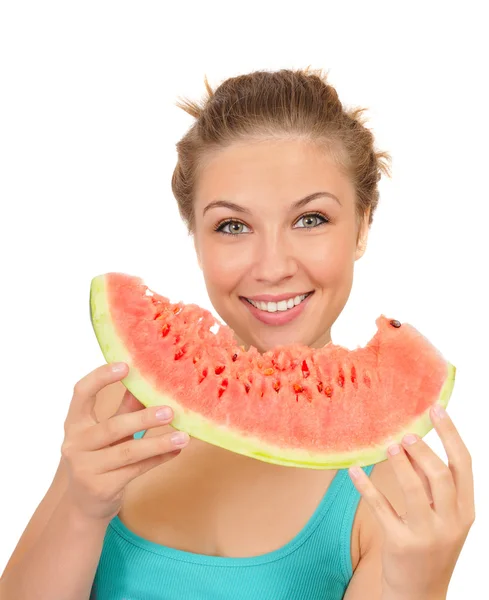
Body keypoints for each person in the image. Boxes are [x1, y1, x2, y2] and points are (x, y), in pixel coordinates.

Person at [0, 67, 475, 600]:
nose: (272, 266)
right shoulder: (124, 410)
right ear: (196, 237)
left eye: (311, 219)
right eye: (232, 226)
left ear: (363, 226)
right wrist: (81, 510)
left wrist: (421, 584)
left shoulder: (391, 484)